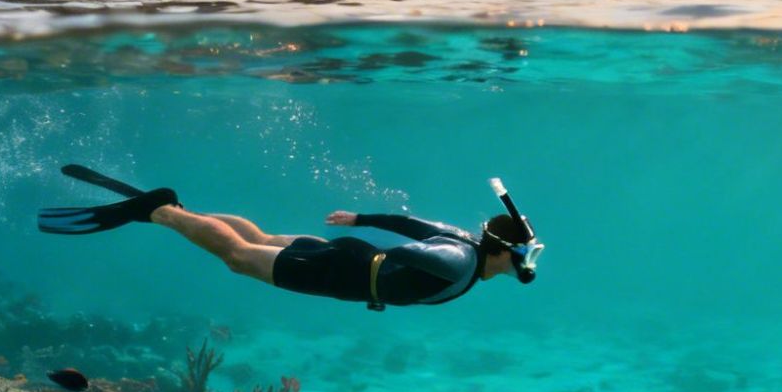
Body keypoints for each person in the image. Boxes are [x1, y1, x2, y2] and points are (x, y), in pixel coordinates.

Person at [38, 166, 541, 310]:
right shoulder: (458, 262)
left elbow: (410, 226)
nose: (528, 260)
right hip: (342, 274)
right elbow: (412, 248)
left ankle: (181, 212)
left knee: (258, 235)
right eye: (525, 251)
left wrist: (360, 217)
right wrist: (374, 253)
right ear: (504, 250)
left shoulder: (461, 243)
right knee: (237, 256)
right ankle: (163, 212)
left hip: (351, 260)